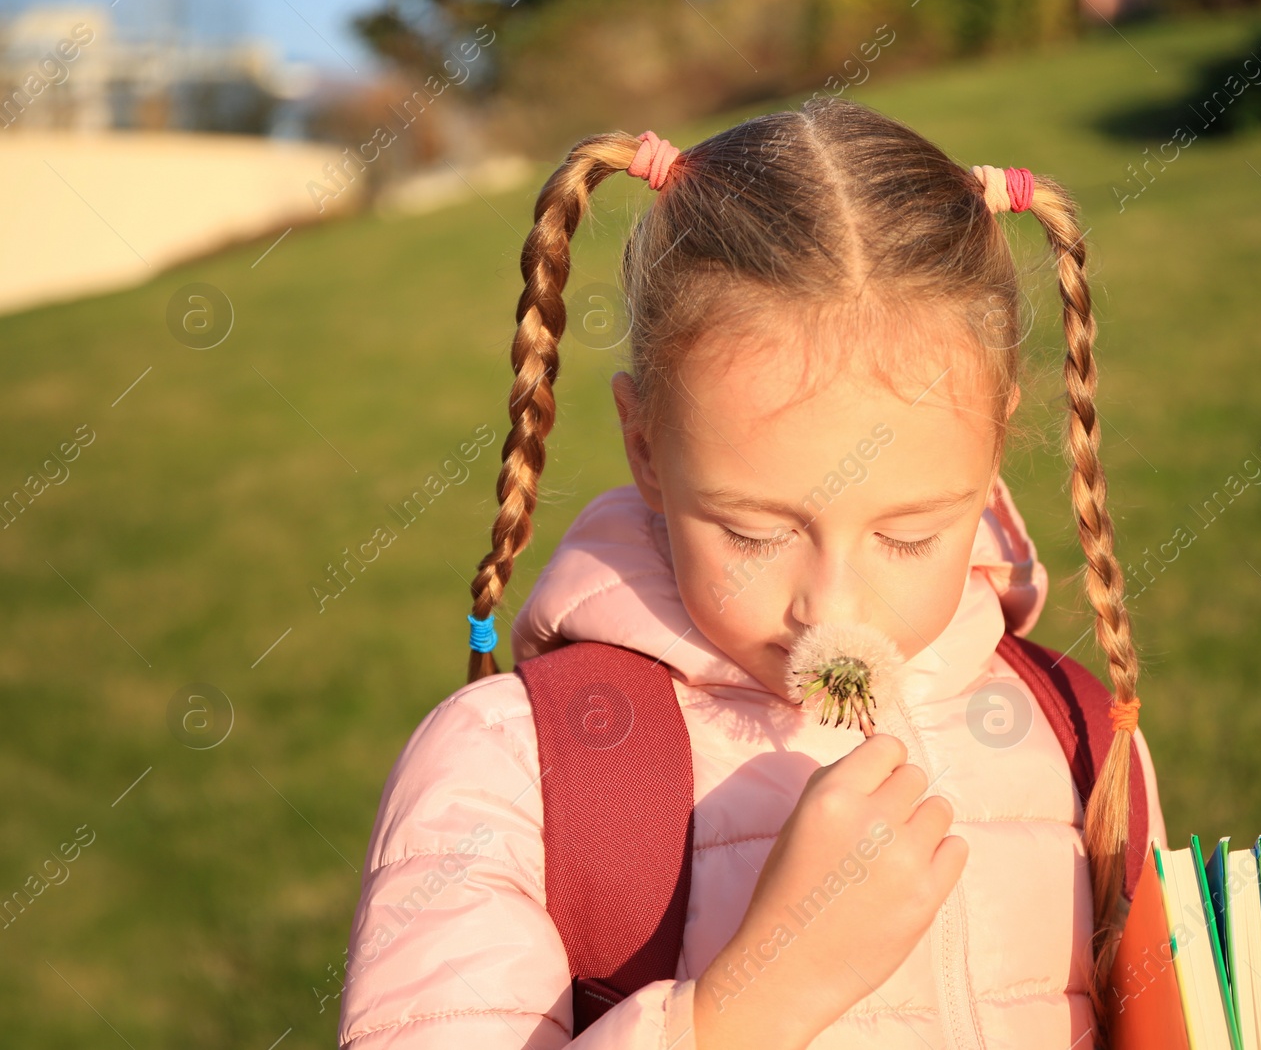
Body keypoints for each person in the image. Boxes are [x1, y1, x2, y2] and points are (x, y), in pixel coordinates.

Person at [337, 96, 1167, 1050]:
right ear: (646, 448)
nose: (834, 608)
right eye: (754, 531)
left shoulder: (1080, 740)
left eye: (908, 536)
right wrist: (747, 1008)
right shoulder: (509, 771)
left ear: (990, 459)